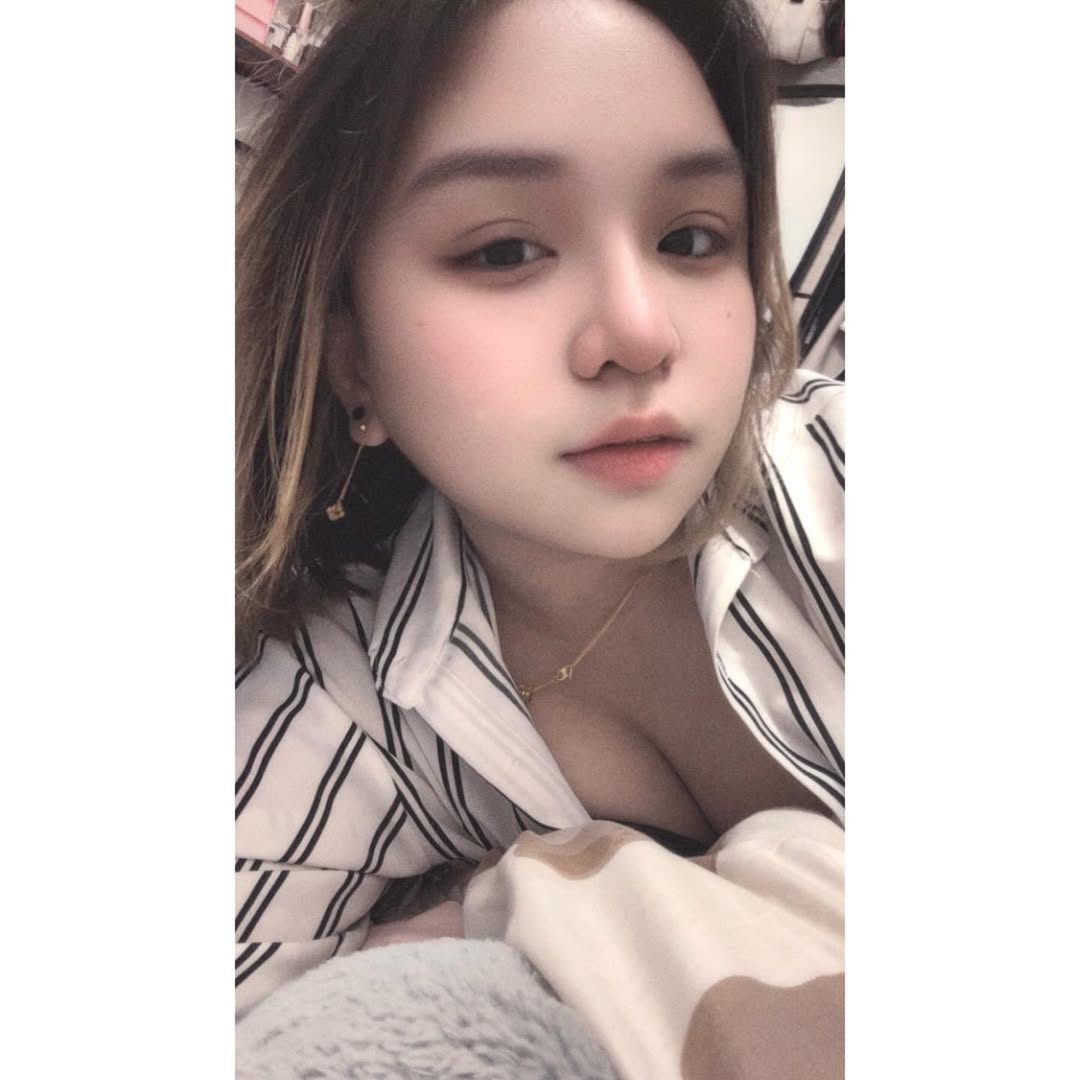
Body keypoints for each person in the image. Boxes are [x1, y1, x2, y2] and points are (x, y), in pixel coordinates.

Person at [235, 0, 844, 1019]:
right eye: (504, 252)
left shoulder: (841, 476)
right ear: (352, 358)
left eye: (692, 237)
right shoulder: (346, 693)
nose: (640, 333)